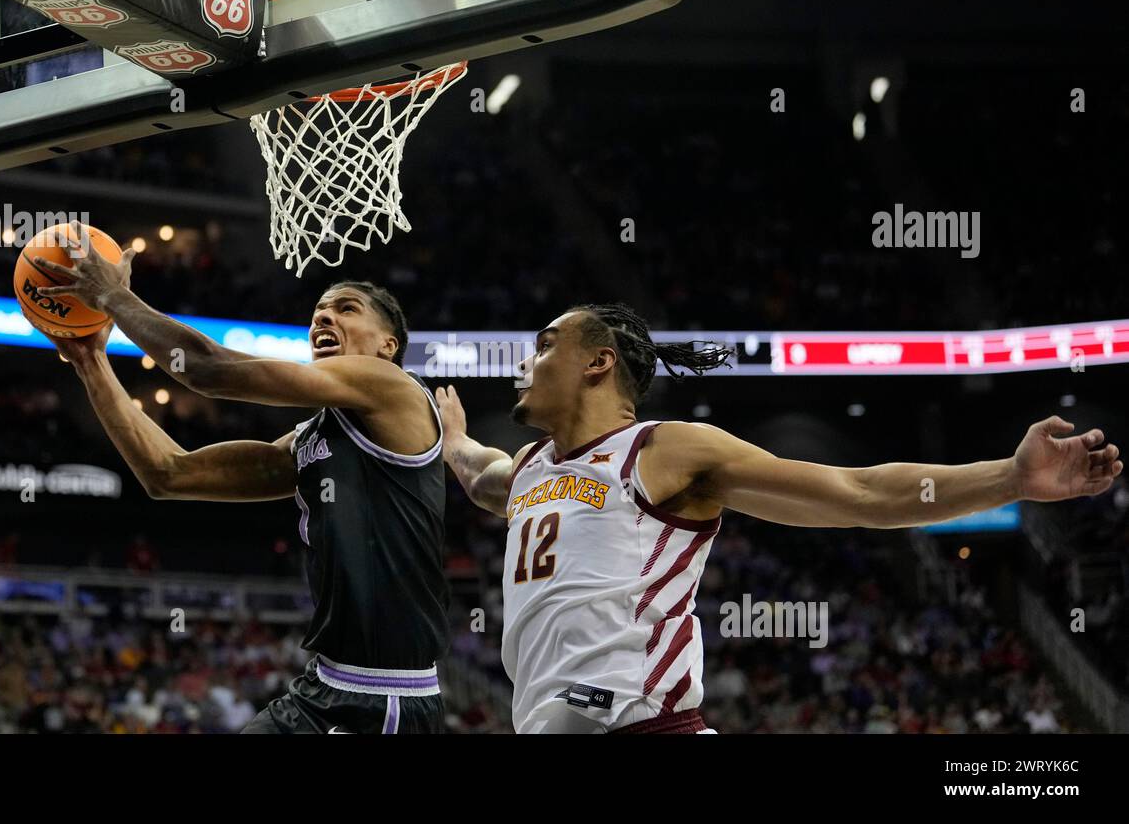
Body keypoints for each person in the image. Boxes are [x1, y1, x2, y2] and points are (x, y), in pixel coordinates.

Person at [437, 302, 1122, 734]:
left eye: (547, 343)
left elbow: (856, 491)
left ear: (598, 362)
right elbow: (476, 472)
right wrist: (451, 436)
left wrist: (1011, 476)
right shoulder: (529, 469)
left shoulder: (662, 450)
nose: (527, 361)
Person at [33, 226, 449, 734]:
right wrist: (90, 361)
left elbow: (208, 368)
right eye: (320, 308)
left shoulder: (396, 388)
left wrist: (112, 295)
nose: (324, 315)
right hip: (325, 686)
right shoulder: (308, 441)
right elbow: (169, 474)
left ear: (388, 346)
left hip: (385, 695)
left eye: (346, 308)